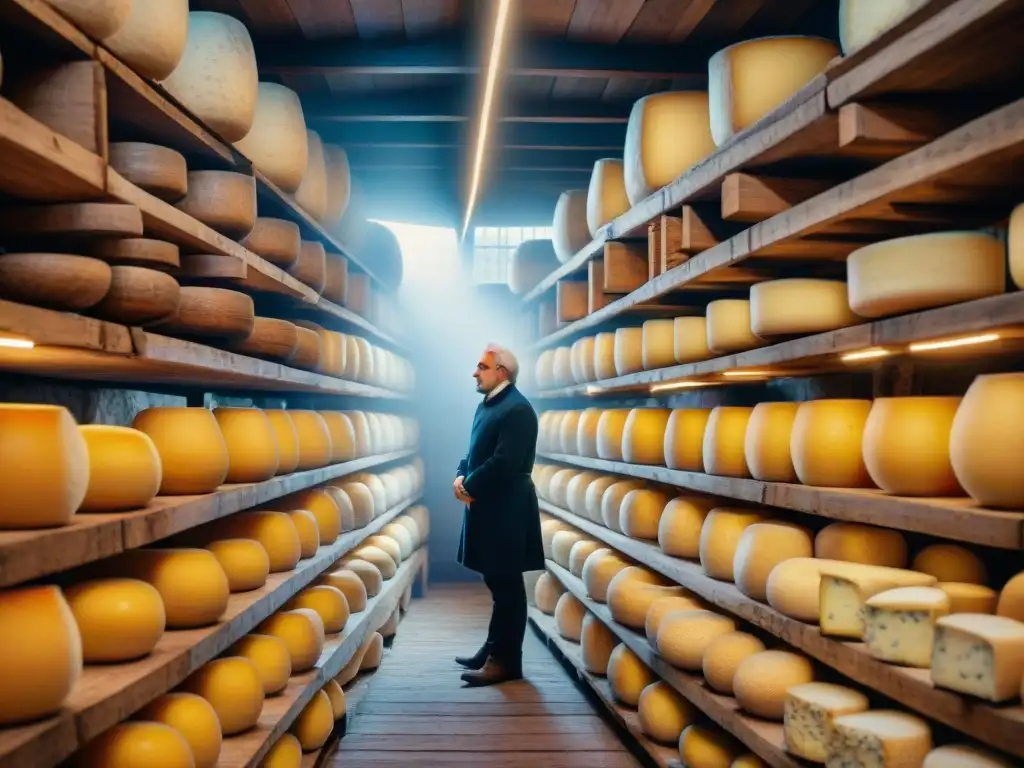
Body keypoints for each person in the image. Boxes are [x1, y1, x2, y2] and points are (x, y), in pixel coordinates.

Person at [453, 343, 544, 686]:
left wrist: (470, 486)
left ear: (501, 372)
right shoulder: (489, 404)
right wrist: (461, 475)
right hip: (489, 503)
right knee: (497, 581)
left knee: (507, 585)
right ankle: (493, 648)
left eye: (482, 367)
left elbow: (505, 462)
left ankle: (507, 661)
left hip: (507, 507)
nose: (475, 373)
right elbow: (475, 449)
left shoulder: (518, 410)